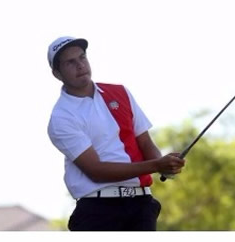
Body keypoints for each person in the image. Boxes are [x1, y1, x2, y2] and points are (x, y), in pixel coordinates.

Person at [46, 36, 185, 231]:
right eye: (70, 62)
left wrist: (165, 166)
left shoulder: (120, 93)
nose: (80, 65)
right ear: (57, 73)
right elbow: (96, 171)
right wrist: (156, 164)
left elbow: (145, 143)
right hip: (98, 211)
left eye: (82, 57)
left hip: (141, 205)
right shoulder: (61, 117)